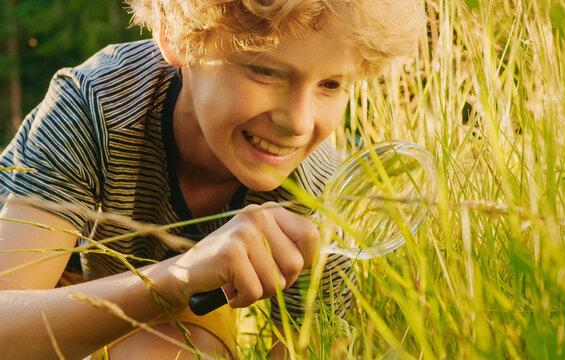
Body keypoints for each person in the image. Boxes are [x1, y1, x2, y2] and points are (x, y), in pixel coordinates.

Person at [0, 0, 425, 358]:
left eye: (331, 84)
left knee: (177, 344)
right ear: (177, 39)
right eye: (266, 71)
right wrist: (178, 277)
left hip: (173, 319)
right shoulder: (95, 109)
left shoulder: (316, 199)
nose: (298, 122)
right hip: (47, 287)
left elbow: (309, 346)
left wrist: (178, 293)